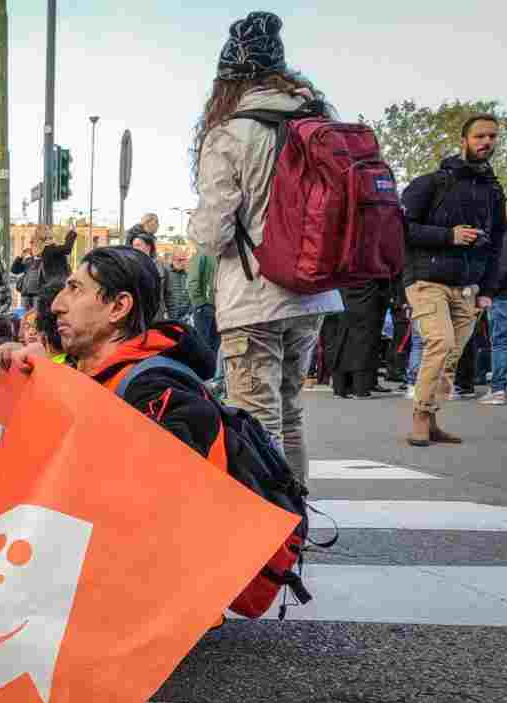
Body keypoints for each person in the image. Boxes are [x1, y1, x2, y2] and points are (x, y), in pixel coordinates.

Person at [188, 11, 343, 485]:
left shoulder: (230, 135)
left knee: (256, 421)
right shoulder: (320, 126)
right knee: (291, 413)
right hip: (312, 292)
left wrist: (196, 223)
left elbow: (213, 234)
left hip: (255, 296)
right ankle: (297, 521)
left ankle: (269, 533)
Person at [0, 246, 221, 459]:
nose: (56, 305)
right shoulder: (101, 372)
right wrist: (43, 370)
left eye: (75, 289)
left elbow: (155, 484)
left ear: (118, 307)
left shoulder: (153, 389)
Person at [401, 114, 505, 444]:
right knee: (440, 343)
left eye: (492, 136)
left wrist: (488, 289)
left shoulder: (493, 191)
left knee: (450, 357)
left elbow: (497, 244)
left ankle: (431, 419)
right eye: (479, 136)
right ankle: (419, 416)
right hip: (426, 279)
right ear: (465, 140)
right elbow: (402, 229)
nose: (486, 142)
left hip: (468, 287)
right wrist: (449, 236)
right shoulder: (431, 182)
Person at [331, 279, 393, 398]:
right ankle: (360, 388)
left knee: (342, 341)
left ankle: (341, 388)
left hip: (343, 293)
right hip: (368, 295)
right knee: (364, 343)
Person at [186, 246, 223, 391]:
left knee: (214, 345)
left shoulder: (217, 253)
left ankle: (210, 382)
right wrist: (200, 303)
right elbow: (193, 280)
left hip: (216, 307)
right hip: (205, 307)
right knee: (204, 344)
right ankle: (200, 381)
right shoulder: (202, 253)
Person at [481, 231, 507, 405]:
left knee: (500, 343)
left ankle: (498, 389)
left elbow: (503, 268)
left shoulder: (504, 235)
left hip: (503, 295)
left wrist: (489, 291)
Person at [165, 250, 193, 322]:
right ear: (173, 260)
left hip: (187, 316)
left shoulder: (189, 274)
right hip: (171, 316)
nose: (182, 262)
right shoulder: (166, 273)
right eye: (180, 260)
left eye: (184, 260)